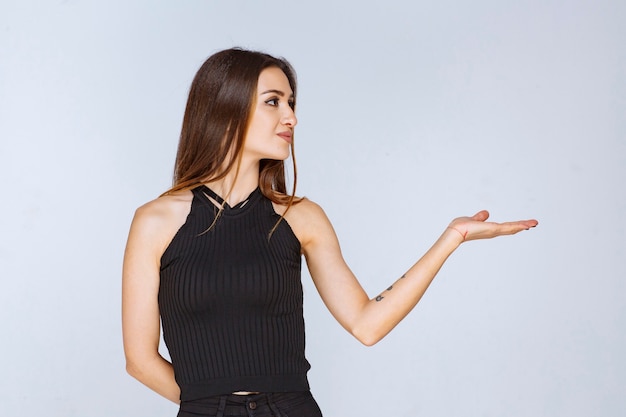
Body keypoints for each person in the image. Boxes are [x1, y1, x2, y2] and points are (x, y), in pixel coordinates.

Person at [121, 47, 538, 417]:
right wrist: (210, 406)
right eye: (273, 102)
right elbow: (140, 360)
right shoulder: (156, 221)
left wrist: (451, 238)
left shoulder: (301, 217)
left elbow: (366, 323)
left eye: (291, 102)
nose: (292, 117)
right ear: (225, 108)